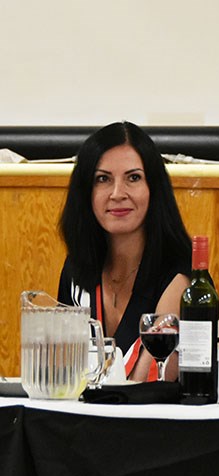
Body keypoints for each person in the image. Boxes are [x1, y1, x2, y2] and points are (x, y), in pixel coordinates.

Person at [58, 121, 192, 382]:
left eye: (133, 178)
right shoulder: (76, 269)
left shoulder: (179, 277)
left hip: (148, 420)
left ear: (154, 188)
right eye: (103, 179)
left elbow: (149, 381)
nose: (117, 193)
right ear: (86, 191)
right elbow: (62, 373)